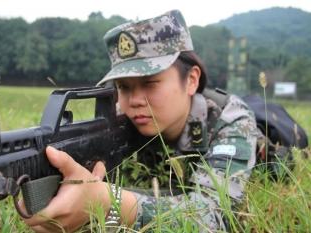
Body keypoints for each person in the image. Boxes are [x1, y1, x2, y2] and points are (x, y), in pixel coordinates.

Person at [22, 10, 258, 232]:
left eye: (149, 83)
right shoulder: (120, 120)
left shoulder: (230, 119)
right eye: (123, 87)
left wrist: (110, 203)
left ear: (191, 80)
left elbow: (216, 216)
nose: (134, 100)